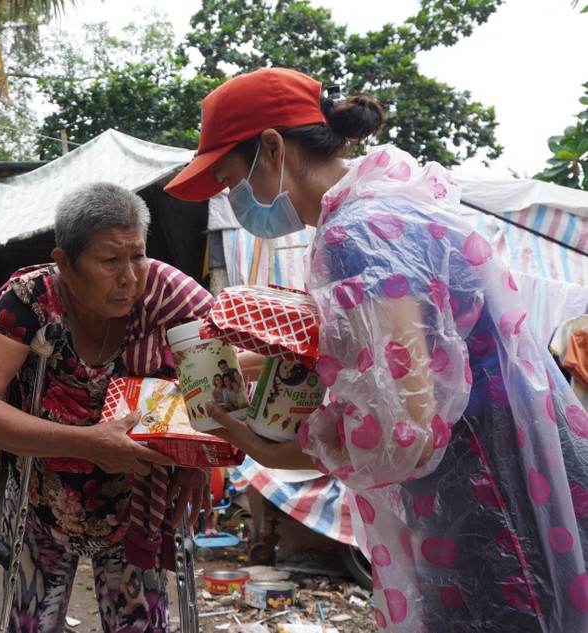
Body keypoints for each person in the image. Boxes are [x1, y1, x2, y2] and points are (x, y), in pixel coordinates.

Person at [164, 67, 588, 632]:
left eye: (229, 179)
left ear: (270, 148)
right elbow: (397, 357)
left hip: (484, 487)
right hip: (516, 462)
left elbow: (401, 435)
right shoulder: (386, 207)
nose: (231, 198)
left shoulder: (355, 236)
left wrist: (260, 444)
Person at [0, 182, 214, 632]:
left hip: (139, 504)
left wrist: (198, 456)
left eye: (138, 255)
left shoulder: (165, 295)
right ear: (64, 264)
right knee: (31, 624)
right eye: (111, 260)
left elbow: (218, 375)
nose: (130, 277)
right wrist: (87, 443)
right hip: (42, 498)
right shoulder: (29, 299)